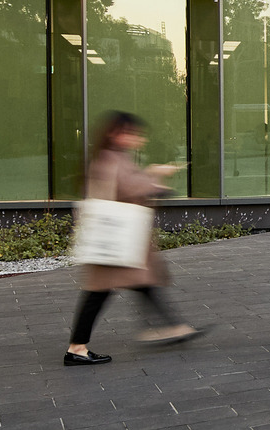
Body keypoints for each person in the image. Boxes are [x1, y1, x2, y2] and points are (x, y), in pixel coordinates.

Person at [65, 112, 202, 366]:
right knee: (102, 292)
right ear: (116, 133)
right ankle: (77, 348)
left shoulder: (113, 156)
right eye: (132, 133)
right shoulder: (111, 158)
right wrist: (157, 176)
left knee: (141, 283)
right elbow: (130, 188)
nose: (138, 138)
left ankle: (171, 327)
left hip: (116, 239)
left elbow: (128, 186)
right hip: (114, 239)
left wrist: (153, 178)